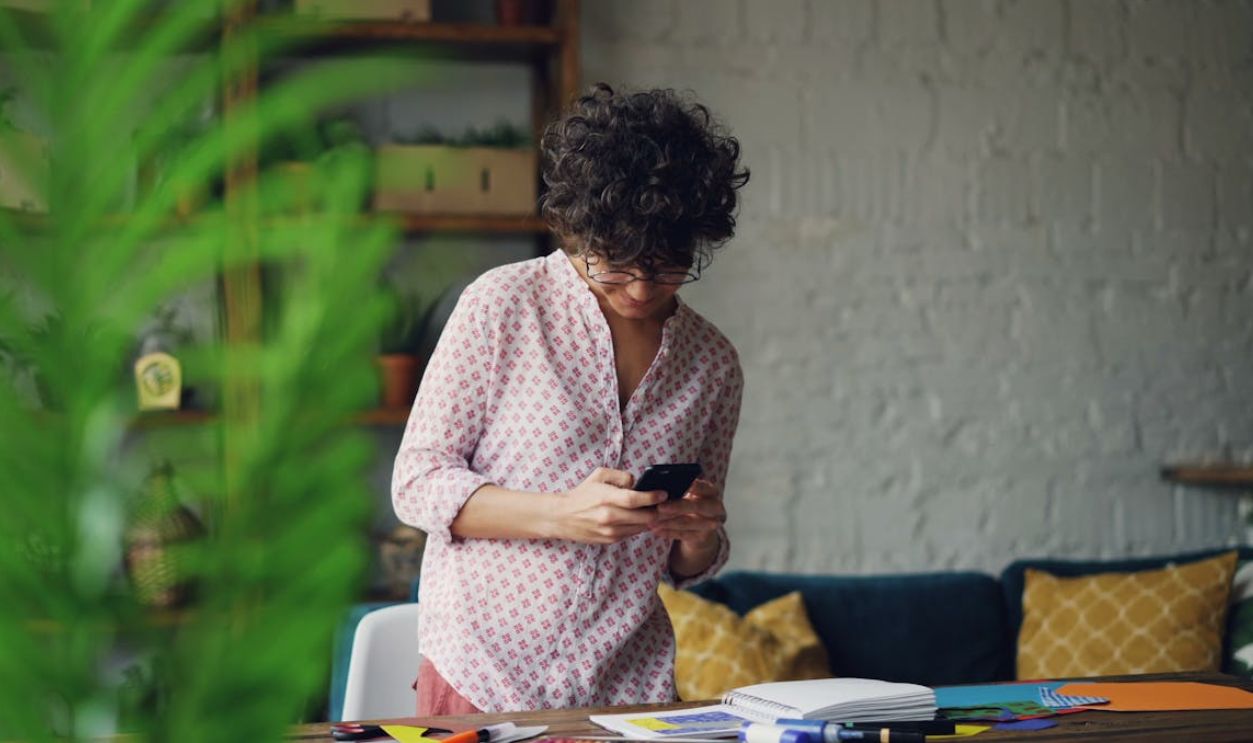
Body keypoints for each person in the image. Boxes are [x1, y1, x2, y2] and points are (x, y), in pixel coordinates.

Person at [392, 82, 749, 715]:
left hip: (628, 692)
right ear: (576, 229)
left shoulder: (712, 365)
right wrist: (561, 514)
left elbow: (689, 563)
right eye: (614, 261)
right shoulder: (503, 306)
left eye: (667, 265)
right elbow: (417, 483)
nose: (640, 287)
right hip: (480, 676)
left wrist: (697, 535)